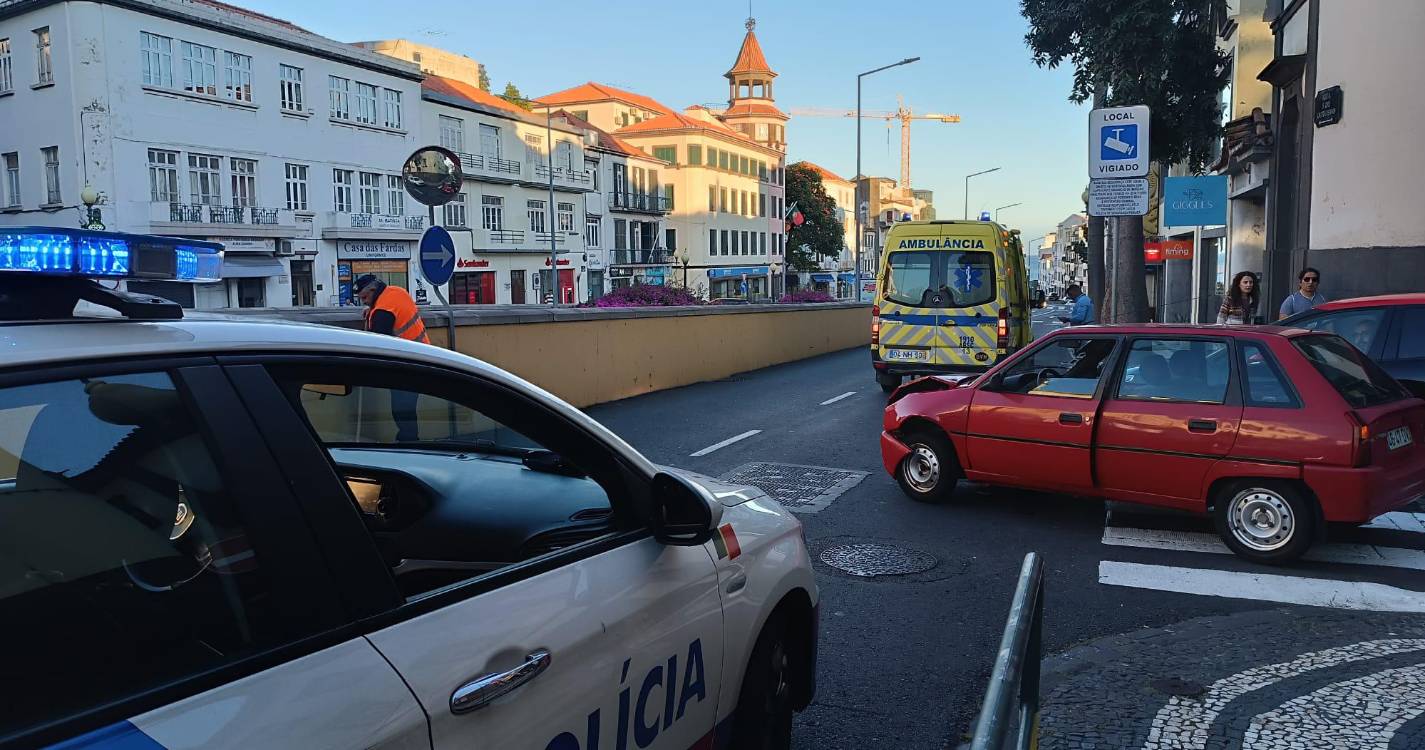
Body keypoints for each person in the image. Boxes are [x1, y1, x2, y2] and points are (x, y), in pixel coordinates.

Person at [354, 274, 428, 441]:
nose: (364, 301)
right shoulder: (397, 292)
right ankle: (409, 442)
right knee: (407, 409)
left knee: (402, 410)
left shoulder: (382, 312)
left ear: (373, 290)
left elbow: (378, 344)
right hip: (421, 357)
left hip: (406, 367)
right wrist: (371, 310)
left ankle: (409, 444)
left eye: (365, 297)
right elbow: (395, 311)